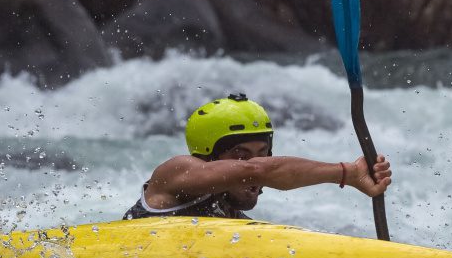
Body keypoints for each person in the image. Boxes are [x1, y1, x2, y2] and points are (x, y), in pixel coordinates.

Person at [124, 94, 391, 221]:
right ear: (209, 157)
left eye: (263, 153)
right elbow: (256, 171)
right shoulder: (177, 173)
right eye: (241, 155)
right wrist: (346, 173)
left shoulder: (235, 221)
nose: (254, 166)